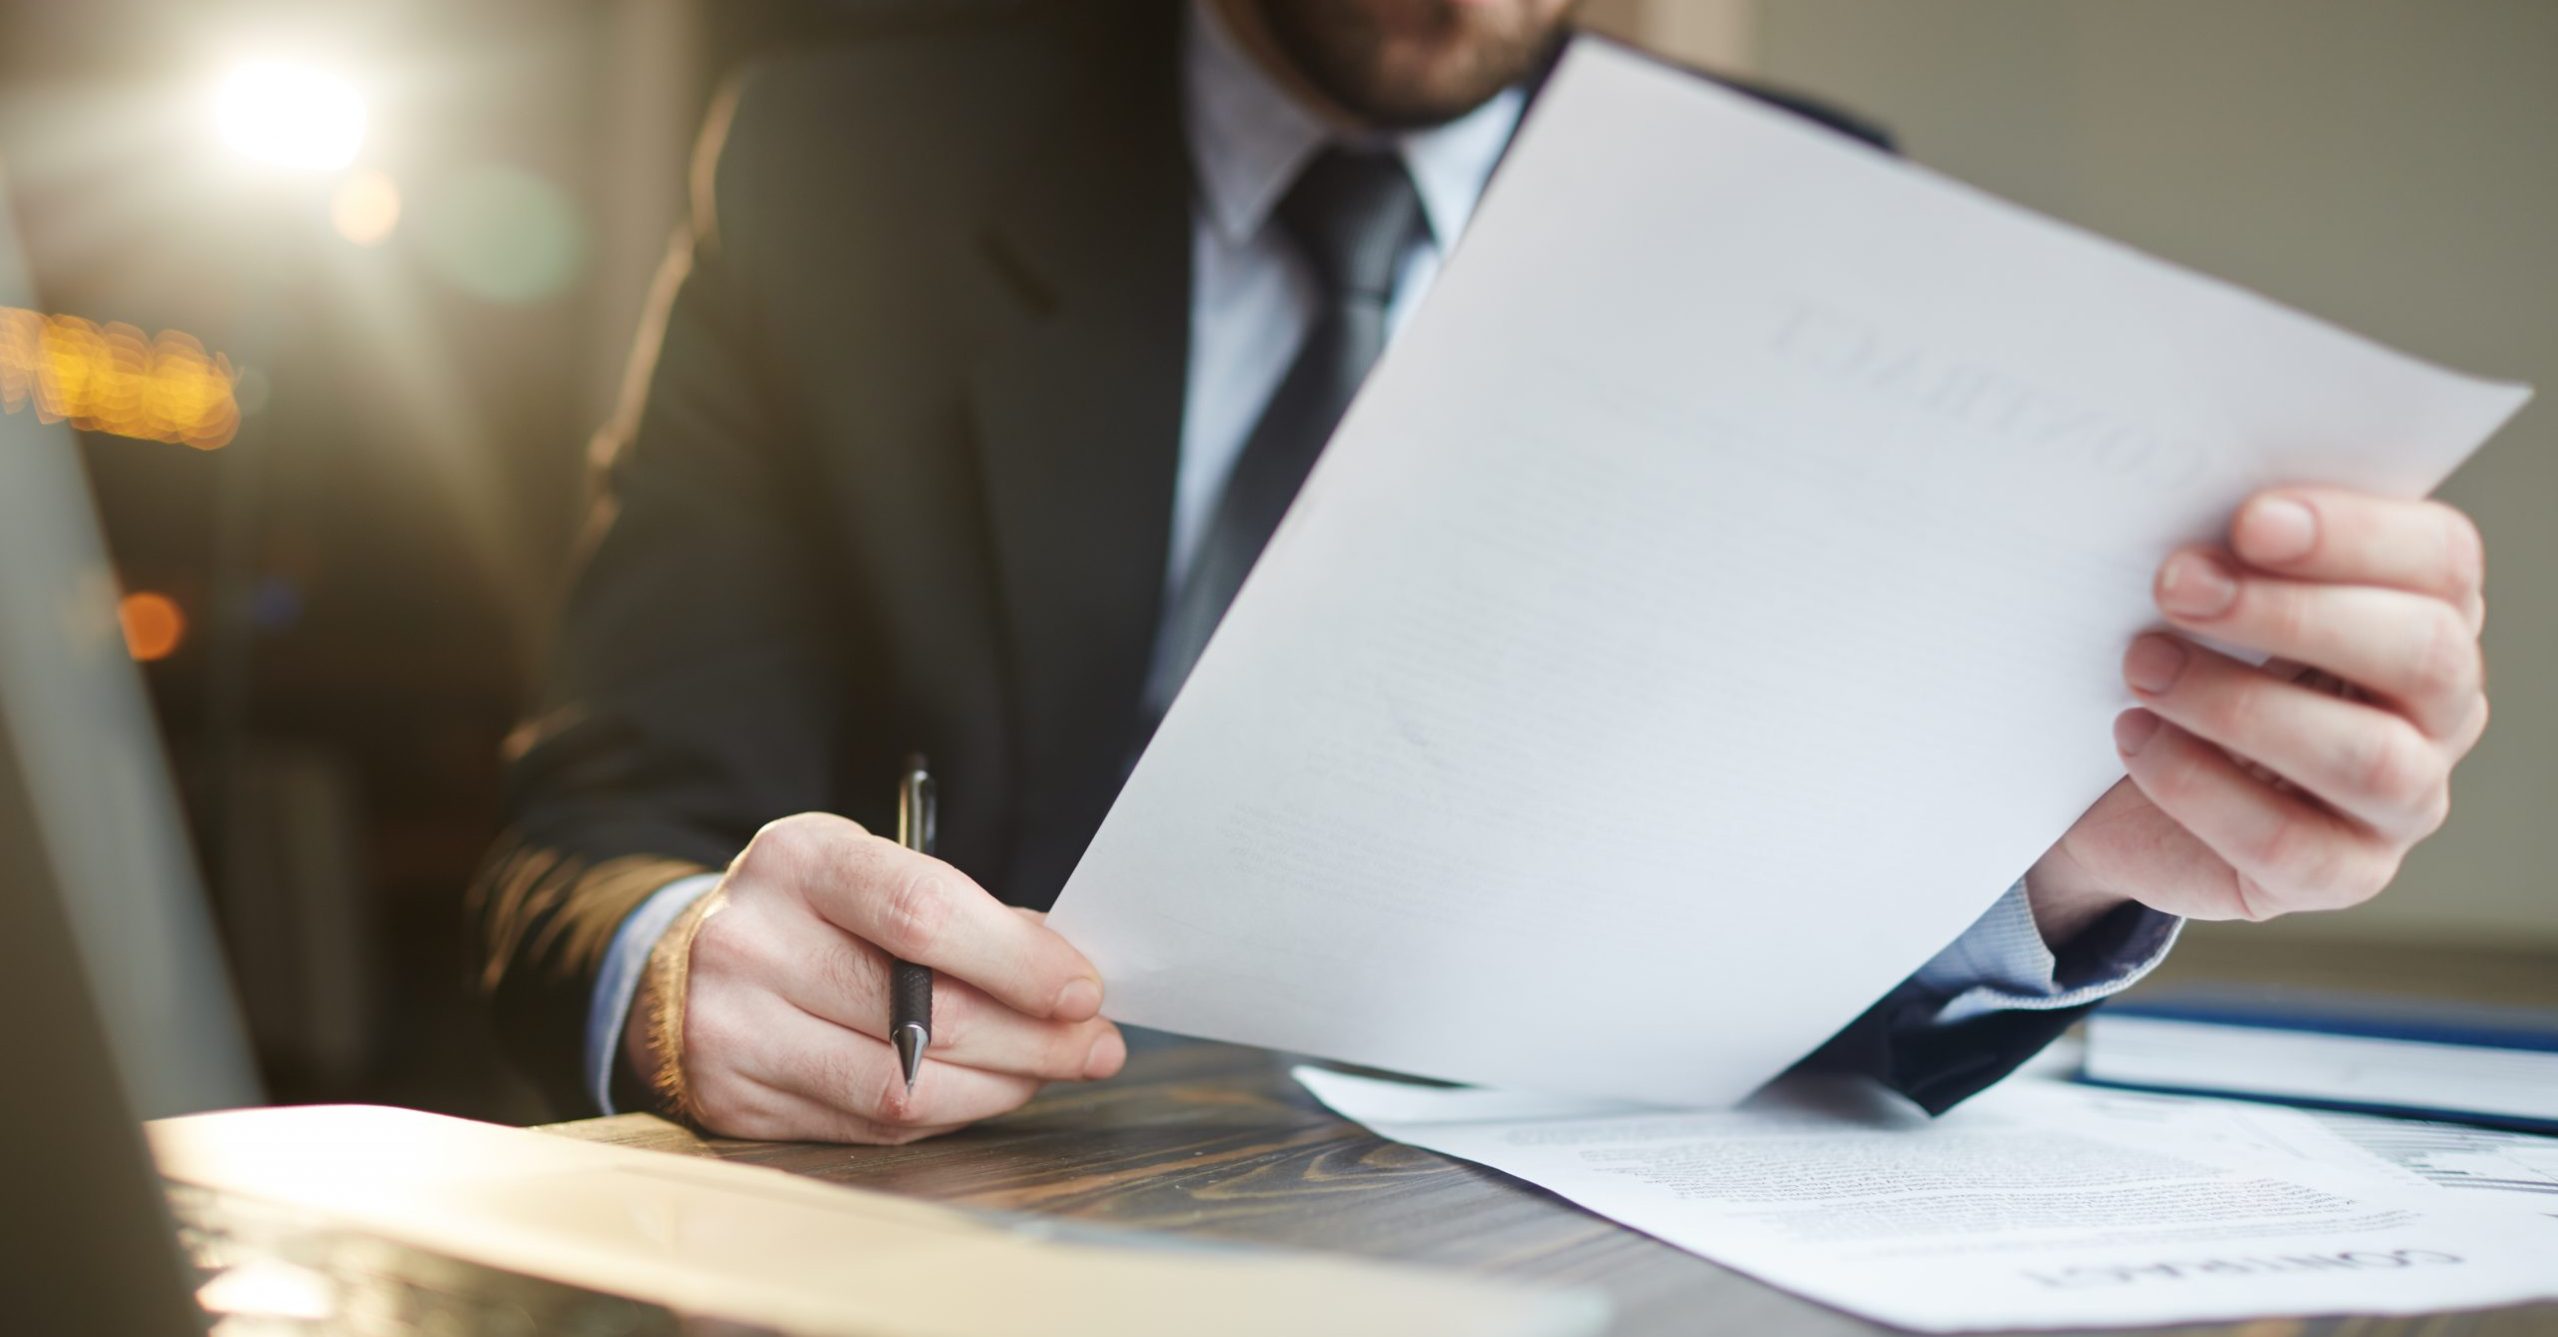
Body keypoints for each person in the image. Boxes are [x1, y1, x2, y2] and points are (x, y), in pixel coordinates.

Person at [471, 0, 2492, 1143]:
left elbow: (1789, 922)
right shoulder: (842, 169)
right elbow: (595, 827)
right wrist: (677, 974)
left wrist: (2073, 853)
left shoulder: (1810, 217)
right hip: (955, 1224)